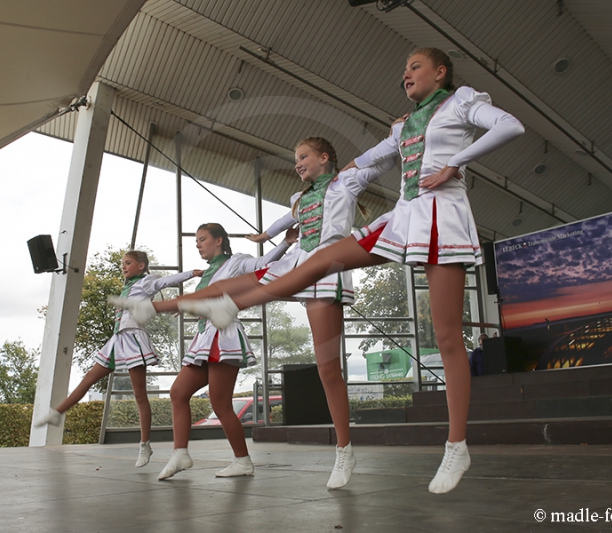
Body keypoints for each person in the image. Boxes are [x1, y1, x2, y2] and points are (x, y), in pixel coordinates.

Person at [126, 47, 524, 494]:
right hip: (397, 218)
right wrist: (268, 234)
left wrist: (453, 164)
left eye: (415, 66)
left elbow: (509, 126)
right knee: (286, 273)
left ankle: (452, 445)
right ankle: (174, 307)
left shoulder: (460, 102)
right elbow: (374, 156)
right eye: (405, 67)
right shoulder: (395, 130)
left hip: (440, 216)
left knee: (441, 337)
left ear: (441, 71)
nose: (406, 73)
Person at [231, 137, 393, 489]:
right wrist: (264, 235)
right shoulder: (299, 197)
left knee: (327, 368)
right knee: (325, 367)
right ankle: (344, 449)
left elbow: (385, 162)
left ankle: (344, 450)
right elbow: (284, 219)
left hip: (329, 268)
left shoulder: (346, 182)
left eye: (303, 156)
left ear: (324, 158)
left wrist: (370, 154)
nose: (297, 163)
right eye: (295, 159)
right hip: (303, 268)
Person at [119, 223, 295, 481]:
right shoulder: (209, 272)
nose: (198, 245)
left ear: (219, 240)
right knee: (178, 392)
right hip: (204, 337)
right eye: (196, 241)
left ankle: (243, 460)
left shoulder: (235, 262)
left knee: (220, 403)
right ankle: (180, 453)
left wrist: (286, 243)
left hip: (223, 336)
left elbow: (262, 263)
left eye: (202, 239)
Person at [34, 250, 202, 468]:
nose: (123, 266)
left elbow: (166, 281)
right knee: (89, 378)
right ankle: (58, 412)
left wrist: (192, 273)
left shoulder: (145, 282)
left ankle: (145, 444)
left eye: (128, 263)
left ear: (141, 265)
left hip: (133, 339)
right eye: (122, 263)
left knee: (139, 395)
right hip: (117, 340)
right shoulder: (127, 286)